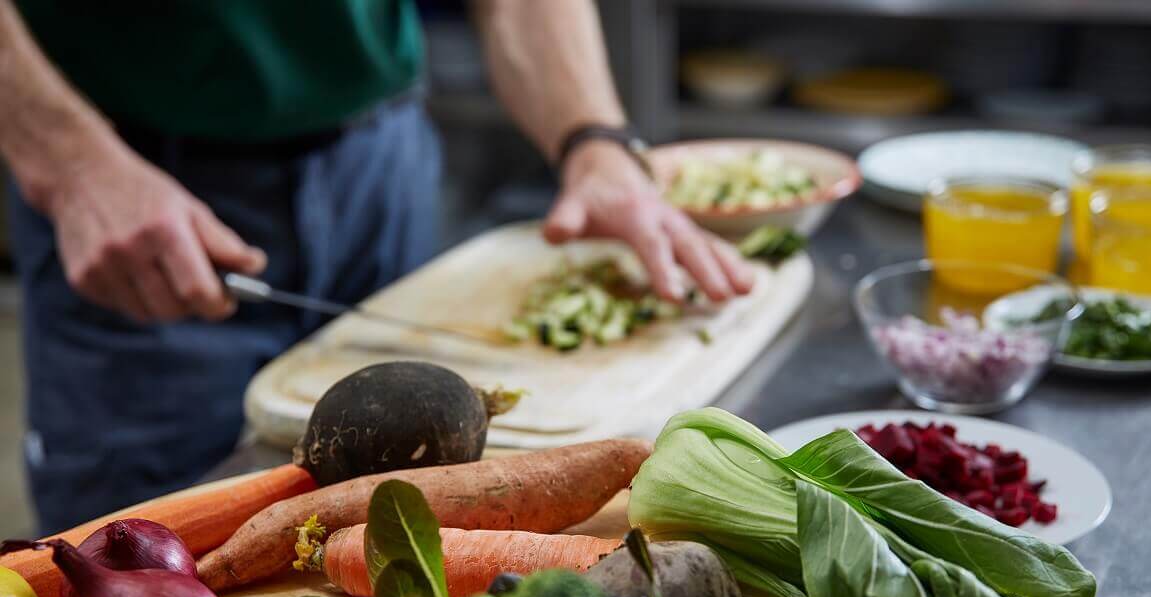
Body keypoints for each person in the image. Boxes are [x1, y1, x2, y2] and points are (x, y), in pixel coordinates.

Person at [0, 0, 754, 535]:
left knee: (407, 516)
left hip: (376, 159)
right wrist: (69, 163)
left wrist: (594, 140)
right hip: (126, 172)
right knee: (135, 555)